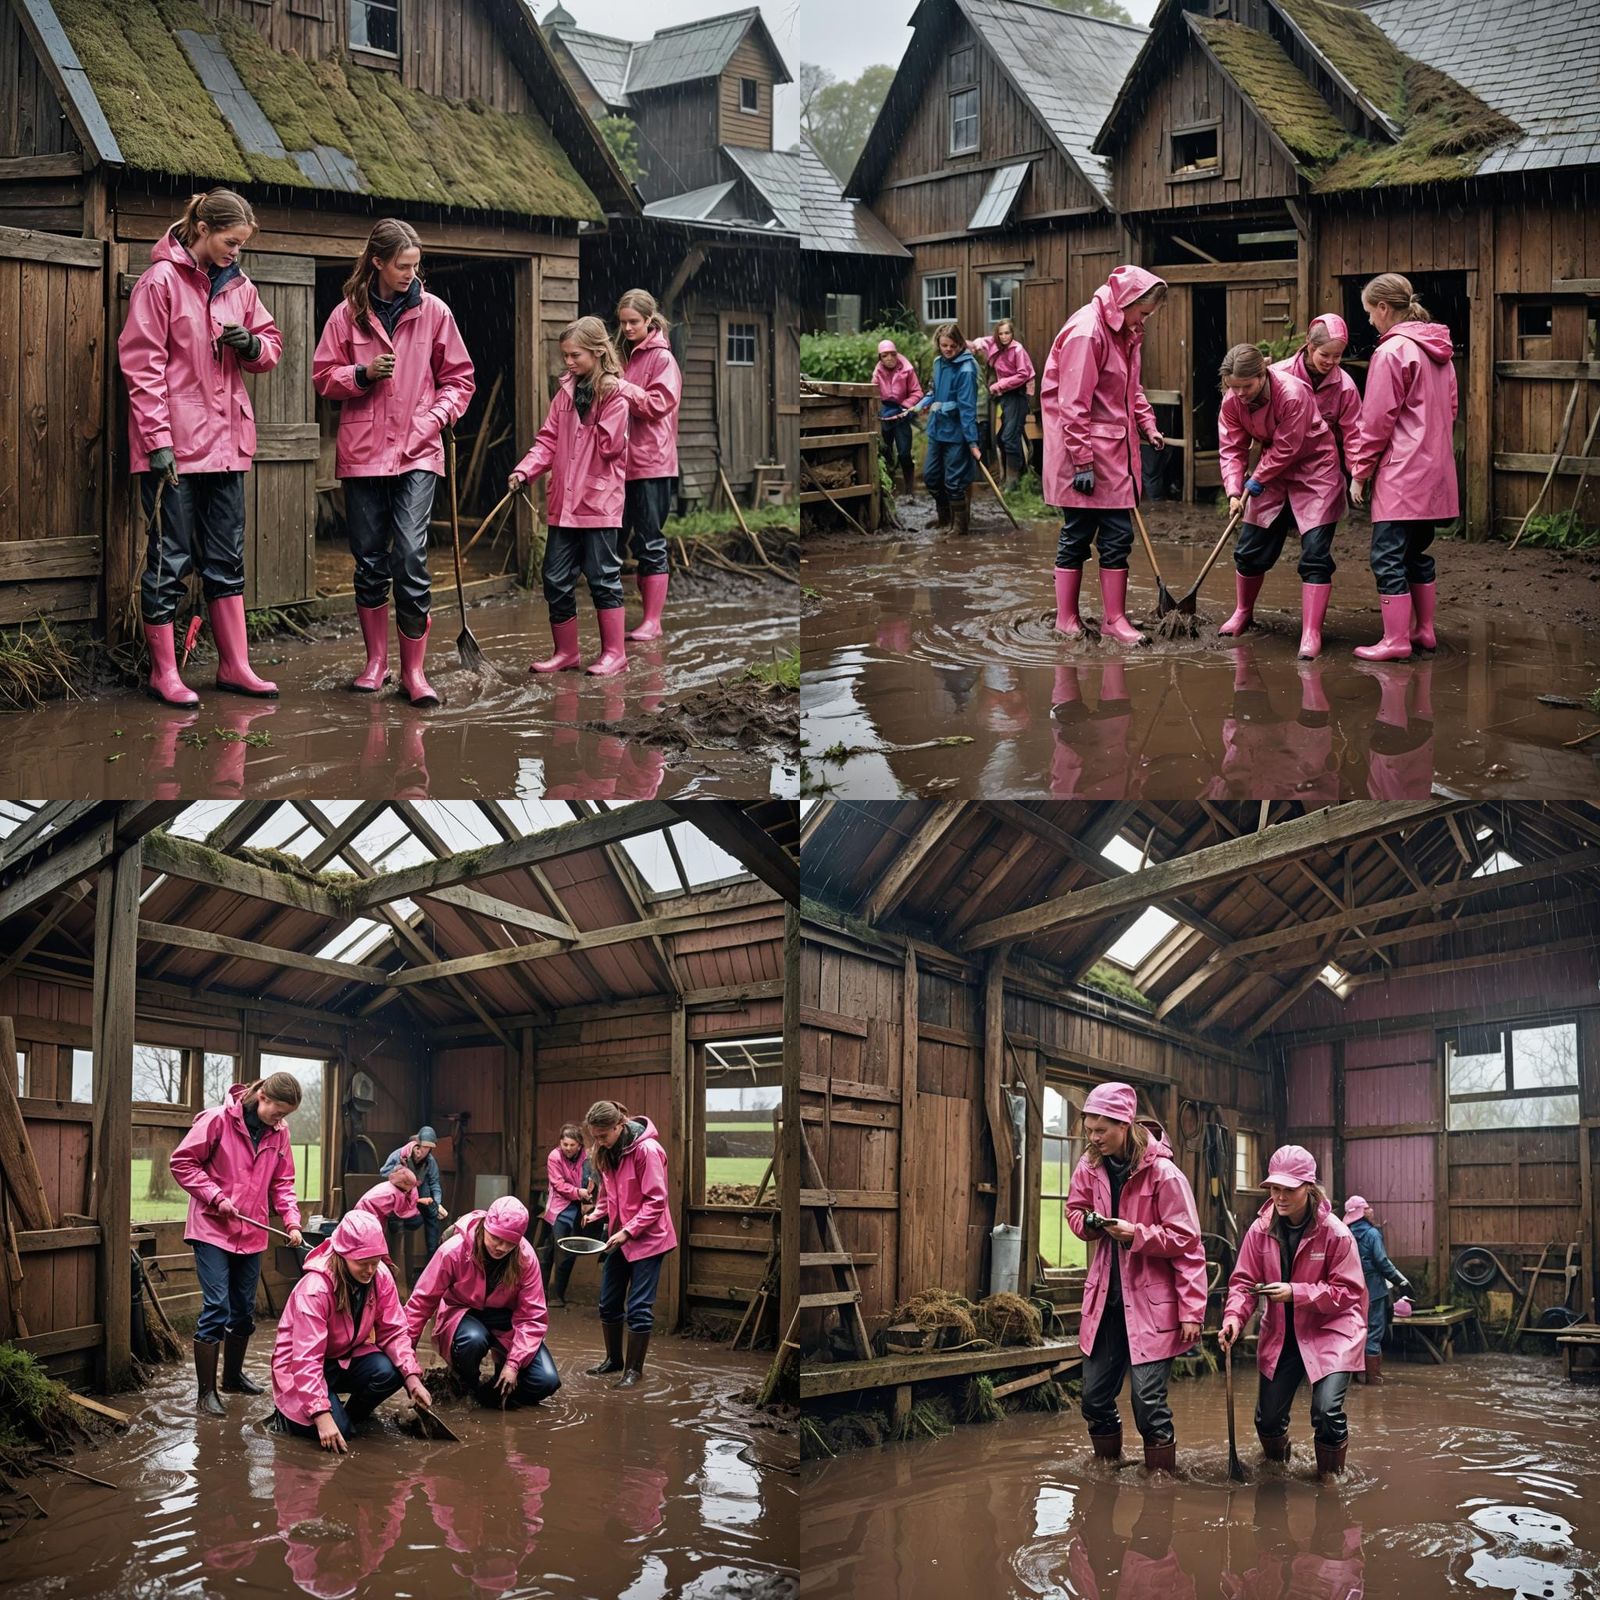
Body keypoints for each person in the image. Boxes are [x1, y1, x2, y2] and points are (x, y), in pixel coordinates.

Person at [119, 187, 282, 706]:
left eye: (241, 245)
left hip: (228, 445)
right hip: (175, 449)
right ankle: (164, 673)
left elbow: (271, 345)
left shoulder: (241, 288)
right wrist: (157, 441)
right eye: (232, 242)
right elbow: (141, 367)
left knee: (226, 558)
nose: (237, 252)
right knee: (170, 558)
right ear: (205, 230)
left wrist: (252, 345)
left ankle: (235, 666)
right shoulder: (159, 282)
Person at [312, 218, 476, 706]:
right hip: (362, 454)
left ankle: (414, 673)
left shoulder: (434, 313)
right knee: (368, 561)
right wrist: (359, 374)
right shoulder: (346, 316)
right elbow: (323, 377)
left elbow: (460, 380)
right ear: (378, 262)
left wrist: (435, 417)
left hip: (417, 449)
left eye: (416, 265)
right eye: (403, 265)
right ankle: (375, 663)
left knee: (409, 554)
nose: (411, 273)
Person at [1064, 1082, 1207, 1472]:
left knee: (1147, 1405)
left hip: (1152, 1307)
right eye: (1089, 1130)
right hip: (1105, 1303)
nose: (1093, 1139)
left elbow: (1187, 1242)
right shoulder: (1089, 1166)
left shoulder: (1165, 1175)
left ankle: (1160, 1483)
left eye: (1101, 1130)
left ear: (1124, 1124)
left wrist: (1136, 1235)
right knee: (1093, 1399)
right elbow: (1074, 1211)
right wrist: (1089, 1225)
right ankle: (1107, 1470)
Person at [1220, 1145, 1366, 1478]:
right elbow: (1243, 1283)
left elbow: (1349, 1292)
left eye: (1289, 1189)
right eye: (1274, 1188)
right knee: (1268, 1420)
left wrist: (1295, 1292)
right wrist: (1233, 1319)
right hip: (1282, 1332)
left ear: (1309, 1188)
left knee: (1326, 1412)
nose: (1280, 1197)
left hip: (1332, 1331)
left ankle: (1331, 1480)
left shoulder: (1336, 1234)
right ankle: (1276, 1473)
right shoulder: (1260, 1231)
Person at [1040, 266, 1168, 644]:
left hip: (1113, 453)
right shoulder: (1087, 332)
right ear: (1127, 302)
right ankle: (1067, 618)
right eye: (1142, 313)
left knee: (1117, 536)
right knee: (1077, 533)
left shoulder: (1125, 333)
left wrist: (1148, 425)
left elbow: (1130, 389)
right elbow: (1073, 403)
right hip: (1085, 455)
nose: (1143, 322)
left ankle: (1114, 619)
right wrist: (1081, 460)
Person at [169, 1071, 305, 1415]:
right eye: (278, 1112)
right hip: (212, 1227)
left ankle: (231, 1378)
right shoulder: (217, 1120)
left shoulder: (279, 1135)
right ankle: (205, 1393)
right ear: (262, 1098)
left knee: (243, 1310)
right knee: (217, 1306)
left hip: (252, 1231)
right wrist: (216, 1197)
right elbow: (182, 1162)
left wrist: (292, 1221)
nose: (281, 1119)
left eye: (286, 1115)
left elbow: (283, 1183)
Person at [1346, 272, 1459, 660]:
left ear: (1383, 307)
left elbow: (1376, 420)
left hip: (1402, 472)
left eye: (1369, 313)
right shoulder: (1439, 350)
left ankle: (1395, 641)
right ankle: (1423, 631)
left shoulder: (1391, 352)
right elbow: (1452, 409)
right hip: (1435, 470)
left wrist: (1360, 473)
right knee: (1416, 553)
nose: (1369, 321)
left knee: (1387, 556)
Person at [511, 316, 631, 676]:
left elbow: (611, 447)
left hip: (597, 503)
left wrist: (605, 398)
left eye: (575, 355)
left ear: (597, 352)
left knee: (602, 577)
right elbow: (548, 440)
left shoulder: (615, 395)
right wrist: (525, 470)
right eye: (565, 356)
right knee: (555, 577)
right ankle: (567, 652)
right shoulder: (564, 391)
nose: (568, 363)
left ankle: (615, 654)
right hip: (563, 505)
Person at [1215, 344, 1346, 659]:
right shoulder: (1232, 401)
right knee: (1249, 550)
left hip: (1314, 470)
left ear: (1263, 375)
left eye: (1247, 386)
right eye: (1234, 388)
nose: (1241, 394)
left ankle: (1311, 632)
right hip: (1269, 475)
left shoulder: (1291, 392)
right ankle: (1243, 612)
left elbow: (1288, 446)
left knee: (1314, 555)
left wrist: (1256, 480)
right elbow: (1232, 447)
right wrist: (1234, 490)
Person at [270, 1209, 429, 1452]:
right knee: (335, 1433)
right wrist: (321, 1415)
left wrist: (412, 1376)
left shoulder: (380, 1276)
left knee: (392, 1371)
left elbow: (394, 1331)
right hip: (299, 1367)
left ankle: (346, 1416)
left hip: (342, 1357)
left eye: (375, 1263)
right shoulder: (315, 1289)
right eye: (362, 1263)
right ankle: (294, 1415)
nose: (369, 1270)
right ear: (342, 1255)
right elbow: (305, 1359)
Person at [405, 1196, 561, 1408]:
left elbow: (532, 1317)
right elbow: (421, 1304)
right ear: (485, 1227)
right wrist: (407, 1363)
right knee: (473, 1340)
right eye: (496, 1238)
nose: (502, 1247)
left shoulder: (526, 1258)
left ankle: (484, 1397)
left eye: (510, 1243)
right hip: (464, 1313)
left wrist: (513, 1364)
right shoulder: (453, 1250)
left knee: (546, 1381)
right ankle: (463, 1385)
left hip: (506, 1319)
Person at [584, 1099, 677, 1387]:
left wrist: (628, 1231)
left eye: (603, 1135)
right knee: (608, 1302)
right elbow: (609, 1194)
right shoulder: (606, 1150)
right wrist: (597, 1214)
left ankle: (634, 1371)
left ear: (620, 1125)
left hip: (649, 1238)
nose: (598, 1141)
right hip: (619, 1236)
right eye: (595, 1136)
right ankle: (614, 1360)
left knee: (638, 1306)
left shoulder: (647, 1151)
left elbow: (656, 1201)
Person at [613, 289, 682, 641]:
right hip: (621, 464)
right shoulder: (624, 356)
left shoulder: (662, 360)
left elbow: (657, 404)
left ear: (649, 320)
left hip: (652, 463)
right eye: (623, 322)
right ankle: (637, 617)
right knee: (619, 540)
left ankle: (653, 621)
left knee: (650, 540)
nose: (626, 327)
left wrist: (621, 388)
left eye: (633, 322)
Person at [1271, 314, 1362, 476]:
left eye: (1337, 356)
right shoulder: (1278, 375)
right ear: (1310, 346)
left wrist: (1357, 474)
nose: (1330, 361)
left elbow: (1353, 433)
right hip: (1280, 466)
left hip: (1323, 468)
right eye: (1325, 355)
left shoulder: (1345, 387)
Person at [912, 323, 982, 533]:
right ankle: (944, 519)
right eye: (944, 345)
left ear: (960, 344)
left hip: (957, 433)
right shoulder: (938, 363)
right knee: (932, 477)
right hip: (936, 429)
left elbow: (967, 408)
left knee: (954, 481)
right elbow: (934, 389)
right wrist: (923, 402)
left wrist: (972, 441)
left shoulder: (967, 369)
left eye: (953, 346)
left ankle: (960, 527)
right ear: (938, 344)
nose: (948, 350)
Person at [1343, 1195, 1409, 1383]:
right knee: (1373, 1330)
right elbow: (1382, 1262)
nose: (1372, 1210)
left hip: (1351, 1291)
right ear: (1362, 1212)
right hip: (1374, 1290)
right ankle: (1373, 1377)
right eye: (1368, 1208)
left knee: (1354, 1331)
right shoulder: (1372, 1234)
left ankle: (1356, 1375)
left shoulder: (1344, 1233)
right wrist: (1400, 1281)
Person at [969, 319, 1035, 488]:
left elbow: (1023, 375)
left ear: (1012, 334)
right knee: (1002, 438)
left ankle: (1013, 482)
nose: (1004, 336)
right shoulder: (995, 344)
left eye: (1007, 333)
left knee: (1009, 437)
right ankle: (1010, 478)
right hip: (1004, 395)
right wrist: (975, 345)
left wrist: (999, 385)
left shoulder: (1017, 350)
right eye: (1001, 333)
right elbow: (980, 342)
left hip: (1017, 394)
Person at [536, 1123, 594, 1308]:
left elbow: (592, 1179)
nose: (568, 1148)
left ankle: (557, 1294)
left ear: (579, 1145)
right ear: (560, 1143)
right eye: (565, 1144)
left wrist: (588, 1198)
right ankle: (543, 1295)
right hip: (558, 1208)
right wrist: (579, 1192)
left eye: (572, 1145)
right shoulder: (554, 1156)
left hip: (578, 1208)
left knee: (570, 1251)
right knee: (555, 1250)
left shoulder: (587, 1157)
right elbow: (558, 1185)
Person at [380, 1126, 449, 1266]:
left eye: (428, 1148)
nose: (423, 1152)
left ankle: (432, 1263)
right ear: (416, 1144)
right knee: (394, 1224)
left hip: (420, 1199)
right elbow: (383, 1174)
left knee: (432, 1214)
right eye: (423, 1147)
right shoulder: (399, 1155)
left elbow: (435, 1184)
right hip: (400, 1197)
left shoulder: (430, 1162)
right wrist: (399, 1171)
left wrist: (437, 1202)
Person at [872, 338, 923, 500]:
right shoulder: (878, 372)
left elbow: (917, 392)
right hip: (885, 413)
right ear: (880, 357)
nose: (889, 358)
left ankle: (909, 490)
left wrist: (904, 406)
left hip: (902, 412)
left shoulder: (907, 370)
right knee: (885, 451)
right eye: (885, 355)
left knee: (904, 452)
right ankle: (889, 489)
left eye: (892, 354)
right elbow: (872, 393)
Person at [351, 1163, 421, 1227]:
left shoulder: (387, 1184)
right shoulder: (396, 1193)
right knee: (416, 1219)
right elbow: (403, 1211)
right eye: (411, 1187)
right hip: (367, 1217)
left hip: (359, 1212)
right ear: (405, 1183)